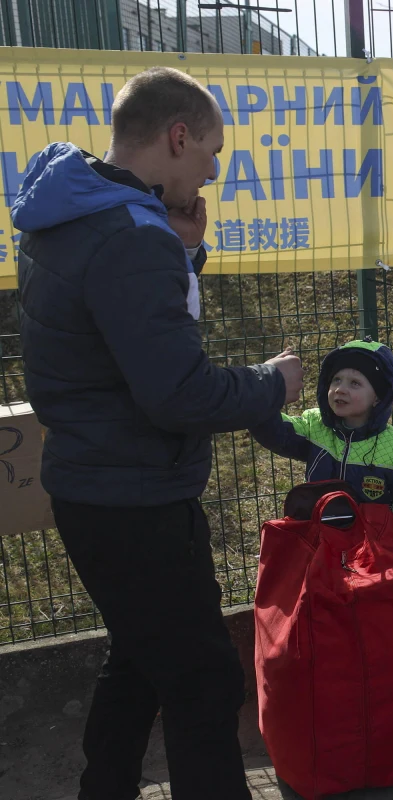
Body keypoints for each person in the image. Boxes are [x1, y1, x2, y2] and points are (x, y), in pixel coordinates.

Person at [14, 67, 303, 800]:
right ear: (177, 137)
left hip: (97, 485)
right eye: (211, 151)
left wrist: (184, 255)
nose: (212, 171)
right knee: (205, 680)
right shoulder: (128, 236)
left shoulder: (73, 212)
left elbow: (121, 331)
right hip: (136, 499)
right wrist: (273, 383)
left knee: (144, 661)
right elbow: (177, 390)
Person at [251, 338, 393, 573]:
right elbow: (276, 433)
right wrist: (263, 387)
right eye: (336, 379)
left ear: (378, 396)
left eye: (355, 383)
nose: (340, 389)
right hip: (322, 547)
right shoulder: (315, 427)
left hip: (375, 559)